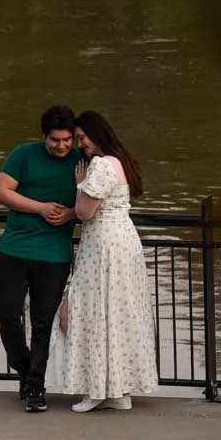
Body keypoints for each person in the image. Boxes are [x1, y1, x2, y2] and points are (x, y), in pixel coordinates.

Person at [48, 109, 158, 413]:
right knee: (117, 312)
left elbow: (84, 212)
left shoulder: (101, 165)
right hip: (122, 241)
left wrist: (80, 184)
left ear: (97, 134)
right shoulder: (119, 161)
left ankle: (96, 389)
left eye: (82, 137)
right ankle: (118, 391)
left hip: (104, 245)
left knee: (93, 311)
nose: (80, 144)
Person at [0, 105, 79, 412]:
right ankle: (25, 367)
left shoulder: (82, 162)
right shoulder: (24, 154)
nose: (62, 145)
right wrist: (40, 207)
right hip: (14, 249)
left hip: (53, 255)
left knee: (43, 323)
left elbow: (93, 201)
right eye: (55, 140)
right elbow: (1, 192)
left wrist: (70, 214)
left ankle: (34, 390)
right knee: (6, 315)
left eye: (67, 139)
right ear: (44, 136)